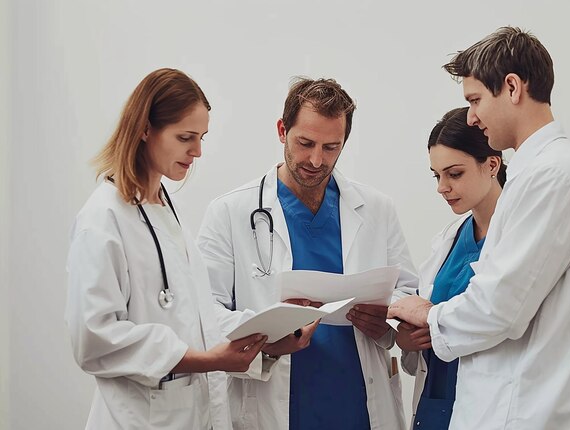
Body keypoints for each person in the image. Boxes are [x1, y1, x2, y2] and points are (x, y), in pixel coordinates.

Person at [388, 27, 570, 429]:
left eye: (475, 100)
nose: (472, 118)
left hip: (532, 413)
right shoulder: (537, 176)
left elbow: (499, 308)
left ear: (512, 87)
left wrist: (429, 314)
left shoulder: (554, 176)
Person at [196, 77, 418, 429]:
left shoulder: (377, 209)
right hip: (273, 405)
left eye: (331, 147)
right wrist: (269, 331)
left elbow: (407, 292)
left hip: (358, 408)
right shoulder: (230, 212)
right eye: (305, 143)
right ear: (282, 130)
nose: (316, 160)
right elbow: (204, 315)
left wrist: (388, 319)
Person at [65, 68, 267, 430]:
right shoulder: (103, 217)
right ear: (145, 129)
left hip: (188, 414)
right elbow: (93, 339)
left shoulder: (165, 210)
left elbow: (197, 316)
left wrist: (266, 337)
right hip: (139, 418)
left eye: (202, 137)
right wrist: (207, 361)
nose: (198, 151)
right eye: (186, 137)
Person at [396, 107, 506, 429]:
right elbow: (426, 319)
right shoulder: (450, 239)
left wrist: (429, 313)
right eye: (436, 175)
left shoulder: (517, 240)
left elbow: (497, 318)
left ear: (491, 165)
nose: (441, 187)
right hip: (436, 406)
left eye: (453, 174)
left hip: (488, 408)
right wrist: (407, 338)